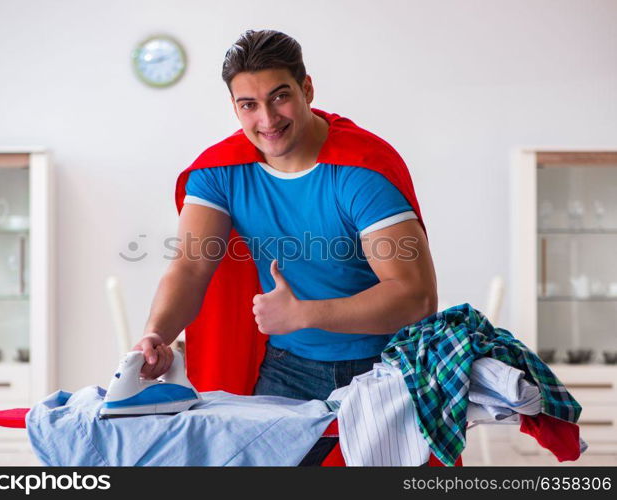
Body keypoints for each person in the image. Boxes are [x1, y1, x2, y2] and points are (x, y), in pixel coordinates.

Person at [132, 29, 437, 402]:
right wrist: (156, 334)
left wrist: (303, 314)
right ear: (234, 107)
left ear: (306, 89)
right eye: (249, 105)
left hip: (384, 365)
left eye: (280, 97)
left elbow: (415, 298)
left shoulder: (361, 172)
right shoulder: (219, 172)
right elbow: (190, 268)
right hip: (286, 367)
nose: (268, 119)